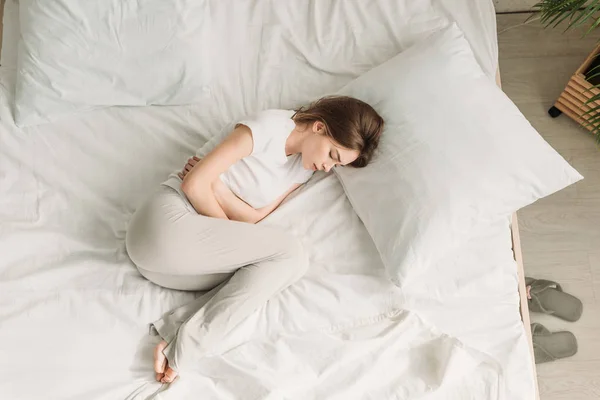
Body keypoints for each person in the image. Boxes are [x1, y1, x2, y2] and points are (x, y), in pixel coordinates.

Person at [125, 95, 384, 384]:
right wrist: (228, 230)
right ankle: (186, 347)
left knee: (274, 272)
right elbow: (193, 184)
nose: (327, 168)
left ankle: (173, 335)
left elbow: (254, 219)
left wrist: (220, 192)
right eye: (333, 156)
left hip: (174, 265)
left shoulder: (303, 169)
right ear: (320, 128)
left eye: (336, 165)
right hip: (165, 223)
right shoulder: (267, 128)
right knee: (291, 255)